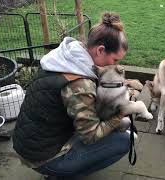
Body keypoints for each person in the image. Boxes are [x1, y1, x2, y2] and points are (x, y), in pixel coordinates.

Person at [12, 12, 130, 179]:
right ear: (100, 50)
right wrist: (120, 114)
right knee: (124, 140)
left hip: (28, 144)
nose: (116, 65)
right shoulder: (79, 83)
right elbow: (90, 135)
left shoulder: (65, 58)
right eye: (115, 60)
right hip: (42, 158)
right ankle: (60, 173)